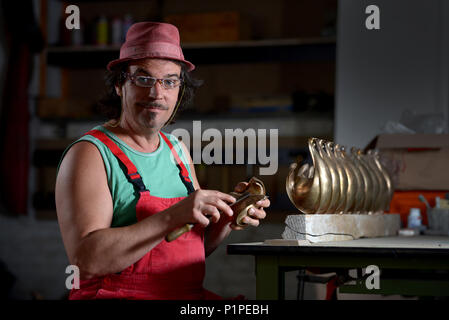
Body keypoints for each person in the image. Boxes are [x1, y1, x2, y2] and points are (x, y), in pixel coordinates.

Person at [55, 22, 270, 300]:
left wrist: (227, 219)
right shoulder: (90, 153)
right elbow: (86, 260)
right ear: (120, 84)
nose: (157, 94)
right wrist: (175, 214)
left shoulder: (177, 151)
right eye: (143, 79)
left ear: (180, 89)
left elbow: (183, 250)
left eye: (169, 81)